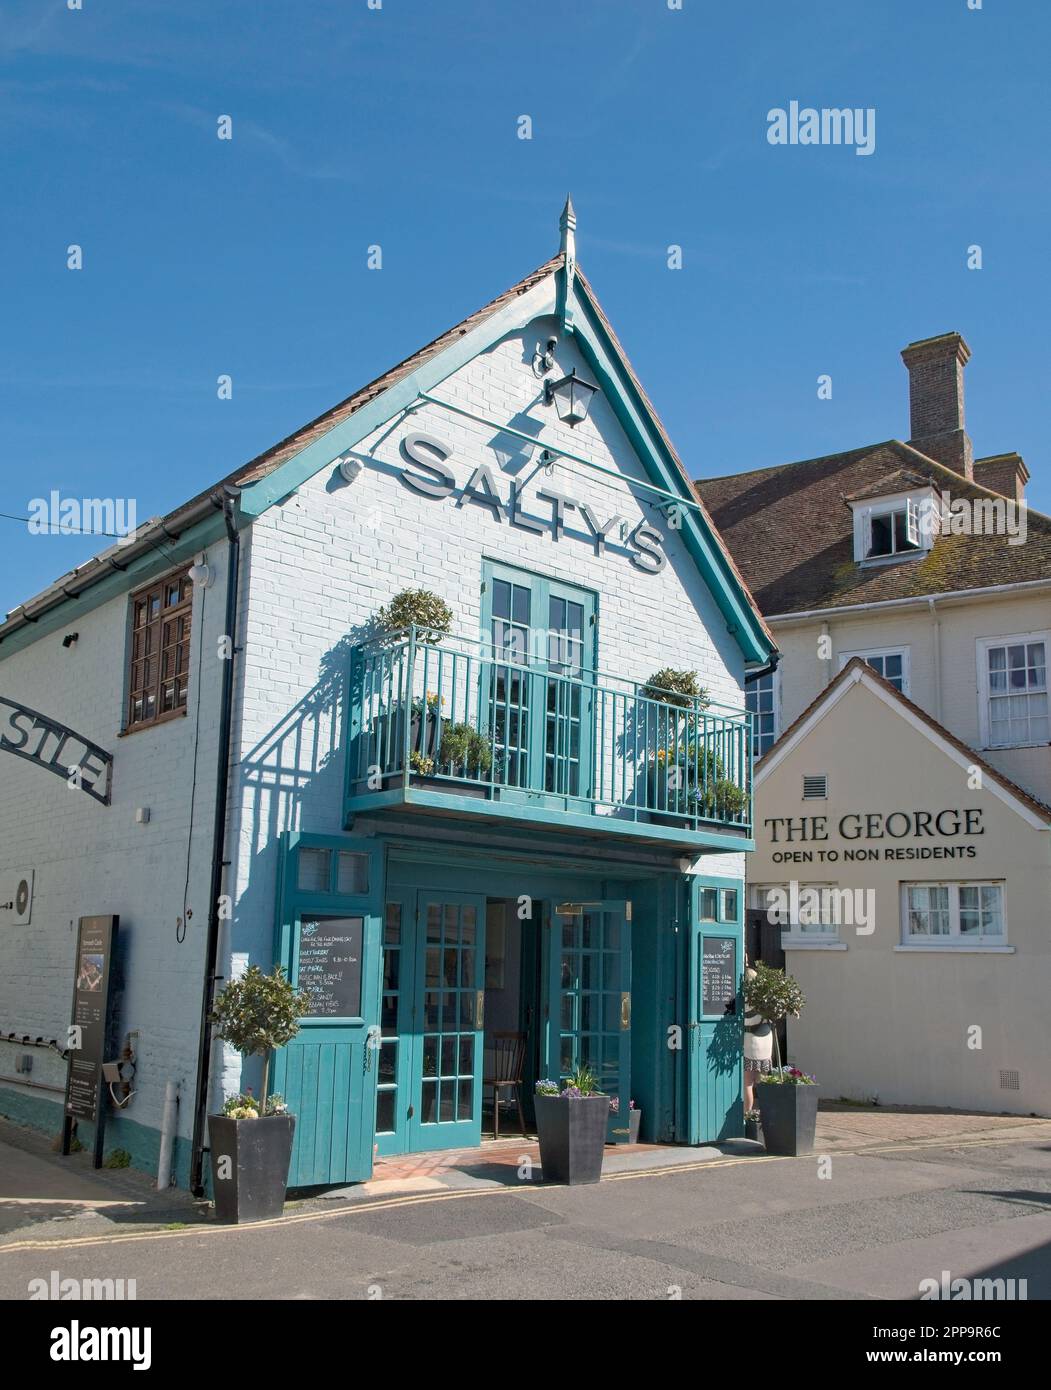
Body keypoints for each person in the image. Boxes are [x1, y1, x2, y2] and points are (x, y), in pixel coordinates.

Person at [743, 953, 773, 1116]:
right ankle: (767, 1114)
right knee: (762, 1082)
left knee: (747, 1082)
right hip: (766, 1040)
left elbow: (745, 1021)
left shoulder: (745, 999)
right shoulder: (765, 997)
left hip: (750, 1042)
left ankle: (747, 1115)